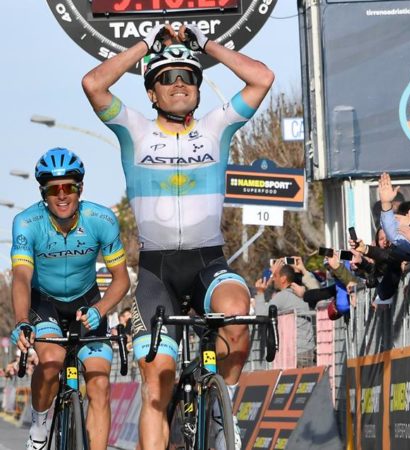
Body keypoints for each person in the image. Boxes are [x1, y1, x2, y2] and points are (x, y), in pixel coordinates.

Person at [82, 23, 273, 450]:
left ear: (199, 88)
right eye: (167, 78)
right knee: (158, 381)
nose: (179, 83)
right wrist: (146, 44)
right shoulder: (134, 130)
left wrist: (204, 44)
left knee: (237, 317)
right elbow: (93, 84)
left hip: (209, 261)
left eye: (188, 76)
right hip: (158, 272)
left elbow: (262, 78)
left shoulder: (216, 127)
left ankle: (223, 413)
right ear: (152, 93)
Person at [10, 148, 130, 450]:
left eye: (69, 187)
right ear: (43, 193)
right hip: (44, 303)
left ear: (80, 189)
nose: (62, 195)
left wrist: (100, 309)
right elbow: (22, 277)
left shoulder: (101, 219)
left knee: (100, 384)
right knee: (51, 362)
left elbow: (121, 279)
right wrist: (22, 320)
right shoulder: (27, 222)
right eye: (54, 189)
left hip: (87, 304)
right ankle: (39, 428)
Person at [254, 264, 315, 367]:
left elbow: (261, 315)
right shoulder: (302, 294)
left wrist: (260, 293)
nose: (273, 279)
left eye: (275, 276)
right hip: (308, 350)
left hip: (295, 353)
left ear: (283, 279)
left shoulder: (283, 296)